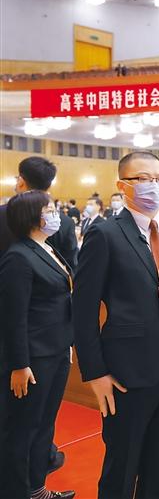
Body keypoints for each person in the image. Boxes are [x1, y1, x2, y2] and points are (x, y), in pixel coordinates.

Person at [72, 151, 159, 498]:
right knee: (122, 467)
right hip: (126, 373)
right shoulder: (105, 234)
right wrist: (95, 372)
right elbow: (83, 310)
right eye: (144, 179)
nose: (154, 186)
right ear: (122, 185)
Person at [0, 191, 75, 499]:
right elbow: (13, 317)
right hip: (33, 357)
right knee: (23, 428)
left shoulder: (47, 248)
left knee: (44, 424)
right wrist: (19, 364)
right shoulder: (18, 256)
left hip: (57, 349)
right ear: (32, 216)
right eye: (50, 209)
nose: (56, 214)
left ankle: (36, 487)